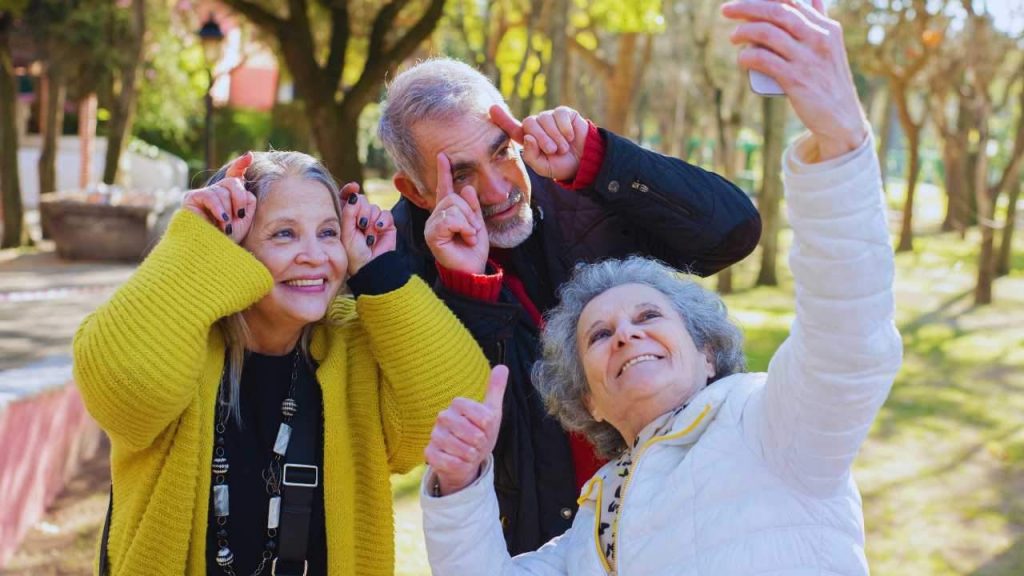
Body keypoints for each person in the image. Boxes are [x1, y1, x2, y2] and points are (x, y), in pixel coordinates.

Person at [418, 1, 903, 574]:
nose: (625, 334)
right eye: (598, 336)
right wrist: (459, 486)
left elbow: (849, 341)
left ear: (709, 353)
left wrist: (841, 138)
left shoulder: (770, 427)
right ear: (587, 401)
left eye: (649, 317)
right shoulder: (594, 530)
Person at [380, 47, 761, 555]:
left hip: (686, 514)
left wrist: (599, 157)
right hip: (550, 544)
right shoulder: (398, 265)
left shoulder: (580, 181)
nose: (498, 189)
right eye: (463, 174)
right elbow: (476, 425)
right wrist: (467, 285)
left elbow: (733, 233)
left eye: (501, 150)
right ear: (416, 190)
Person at [73, 150, 492, 576]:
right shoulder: (178, 340)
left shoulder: (353, 346)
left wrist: (379, 270)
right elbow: (127, 391)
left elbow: (458, 406)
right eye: (284, 235)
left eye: (328, 233)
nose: (314, 255)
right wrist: (194, 244)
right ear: (232, 245)